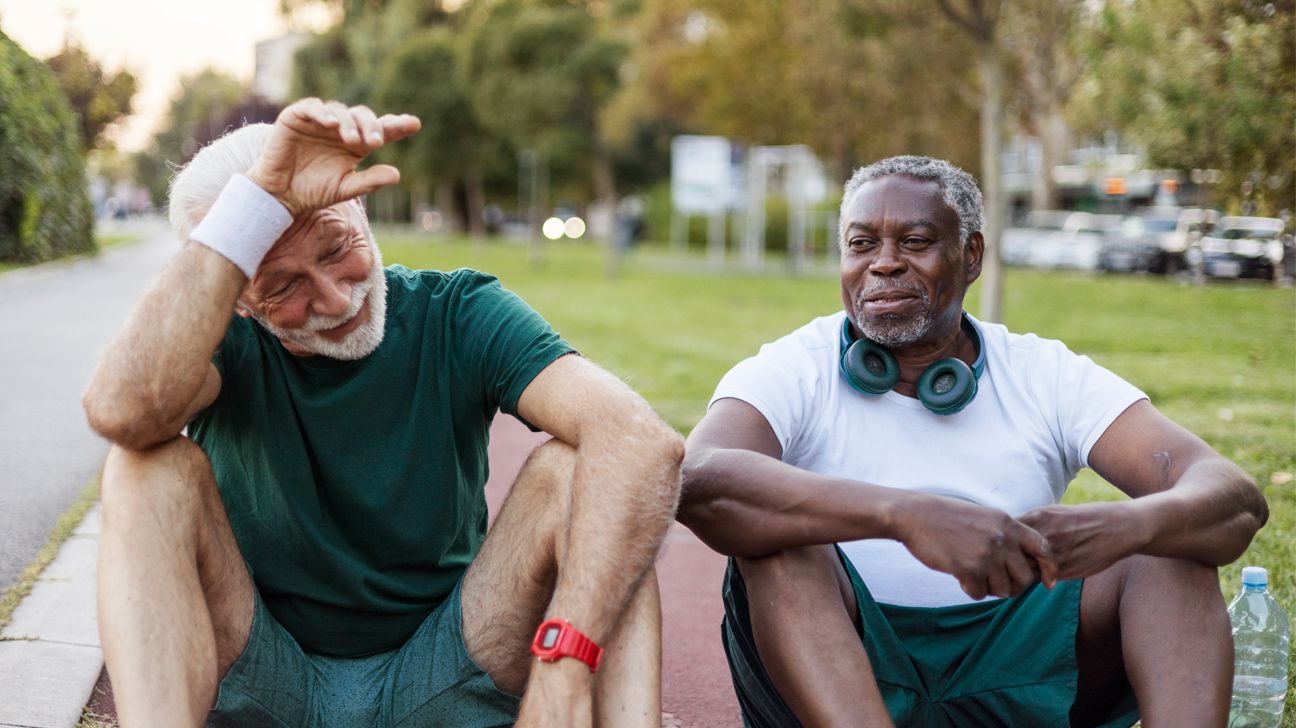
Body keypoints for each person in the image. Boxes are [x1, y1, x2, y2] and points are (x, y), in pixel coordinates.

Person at [82, 98, 683, 727]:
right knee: (143, 470)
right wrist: (243, 222)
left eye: (337, 246)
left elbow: (642, 441)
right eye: (283, 287)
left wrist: (564, 673)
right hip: (267, 671)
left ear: (360, 207)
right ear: (238, 302)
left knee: (595, 482)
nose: (336, 298)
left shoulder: (458, 312)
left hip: (444, 670)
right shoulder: (216, 342)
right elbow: (122, 413)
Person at [677, 155, 1268, 727]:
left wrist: (1132, 527)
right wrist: (905, 516)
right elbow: (697, 478)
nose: (883, 264)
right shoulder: (790, 368)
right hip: (838, 670)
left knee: (1169, 548)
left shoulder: (1043, 371)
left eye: (914, 242)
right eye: (861, 244)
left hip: (1021, 660)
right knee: (782, 541)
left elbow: (1234, 498)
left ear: (972, 255)